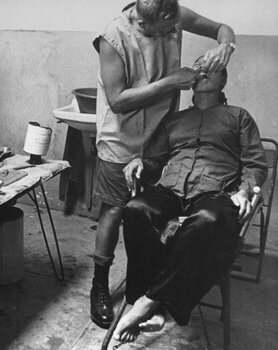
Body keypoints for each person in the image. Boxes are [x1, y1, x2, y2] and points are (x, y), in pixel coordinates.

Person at [90, 0, 237, 329]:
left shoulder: (174, 16)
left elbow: (221, 29)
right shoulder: (113, 38)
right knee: (115, 209)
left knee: (154, 211)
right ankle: (99, 285)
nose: (170, 35)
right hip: (122, 136)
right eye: (161, 32)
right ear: (142, 21)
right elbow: (117, 100)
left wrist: (225, 45)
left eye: (172, 29)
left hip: (163, 132)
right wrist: (172, 82)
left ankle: (152, 291)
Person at [116, 59, 268, 342]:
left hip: (216, 192)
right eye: (200, 65)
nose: (205, 69)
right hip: (171, 189)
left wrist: (245, 191)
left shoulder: (238, 117)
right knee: (136, 209)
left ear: (223, 81)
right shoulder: (175, 120)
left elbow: (256, 164)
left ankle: (148, 302)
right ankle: (154, 302)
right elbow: (156, 159)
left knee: (207, 221)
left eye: (214, 66)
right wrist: (141, 162)